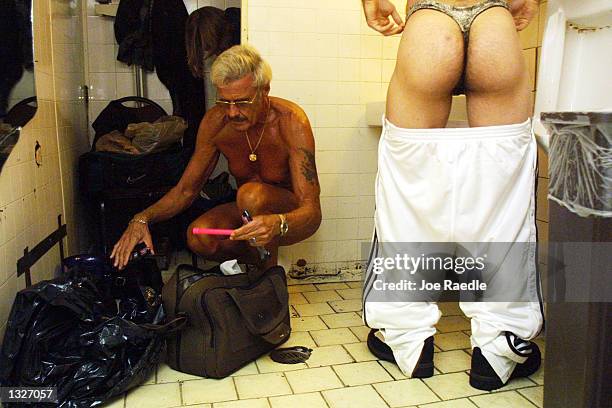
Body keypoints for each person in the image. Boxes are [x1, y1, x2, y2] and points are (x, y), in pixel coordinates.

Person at [361, 0, 543, 391]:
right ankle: (498, 348)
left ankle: (408, 339)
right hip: (495, 20)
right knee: (503, 203)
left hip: (430, 22)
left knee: (408, 201)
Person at [111, 45, 322, 272]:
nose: (232, 112)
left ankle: (266, 281)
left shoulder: (291, 121)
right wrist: (141, 219)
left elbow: (311, 210)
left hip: (289, 217)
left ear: (264, 90)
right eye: (224, 102)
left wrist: (278, 223)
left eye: (242, 102)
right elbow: (185, 191)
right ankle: (260, 265)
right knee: (197, 237)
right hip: (247, 210)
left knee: (251, 194)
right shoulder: (216, 123)